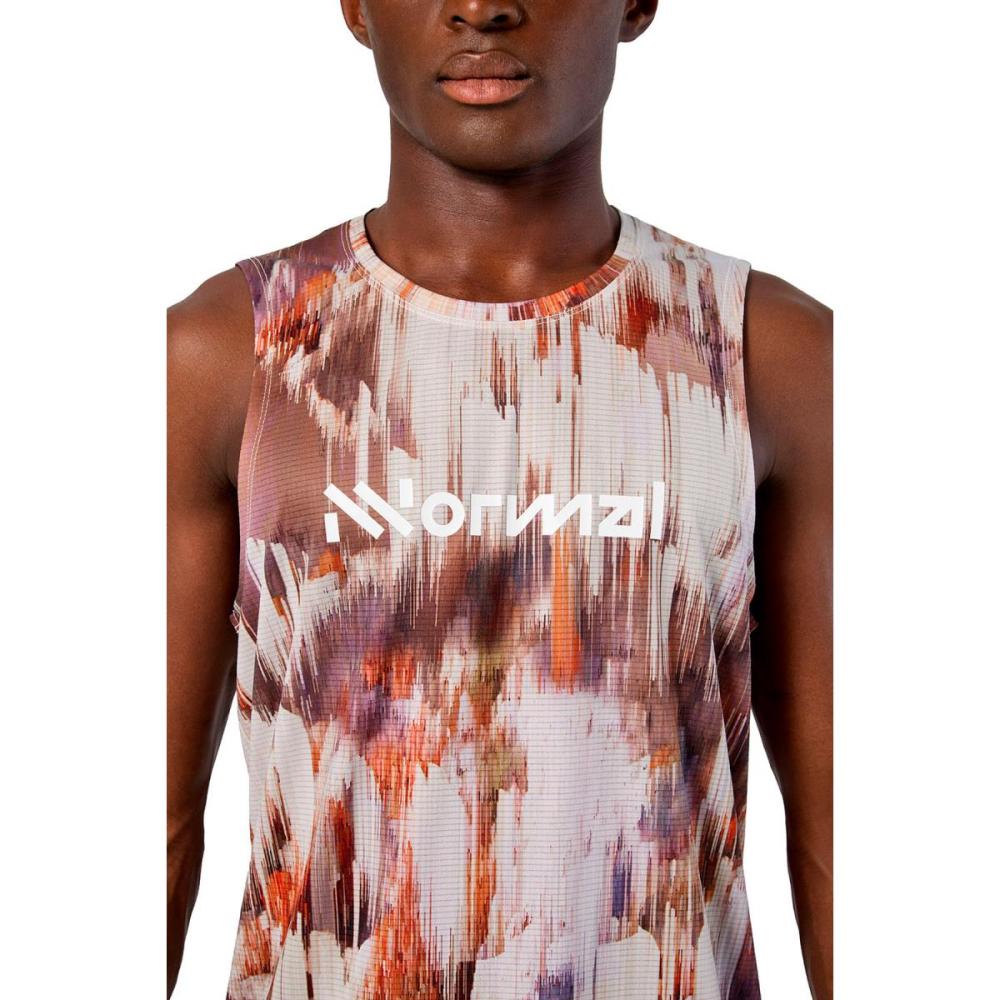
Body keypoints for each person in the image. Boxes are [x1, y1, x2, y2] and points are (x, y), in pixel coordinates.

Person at [167, 2, 832, 998]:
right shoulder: (231, 354)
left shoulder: (764, 352)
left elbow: (843, 824)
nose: (481, 6)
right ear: (354, 6)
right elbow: (153, 820)